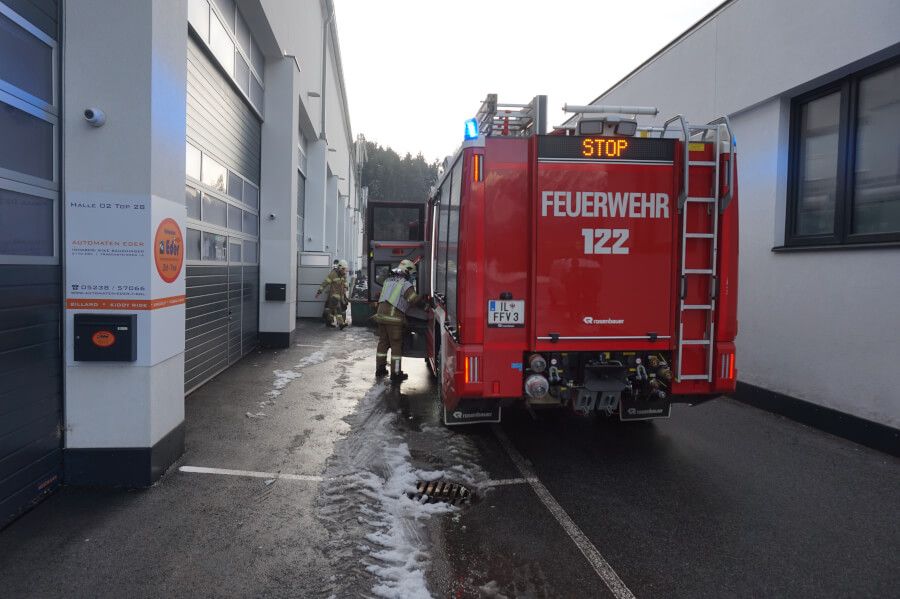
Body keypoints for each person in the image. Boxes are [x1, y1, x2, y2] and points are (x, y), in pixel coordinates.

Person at [374, 259, 427, 382]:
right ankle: (396, 373)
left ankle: (380, 369)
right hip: (393, 318)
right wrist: (424, 303)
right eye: (412, 274)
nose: (412, 277)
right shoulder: (405, 284)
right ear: (407, 271)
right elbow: (413, 300)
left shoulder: (387, 281)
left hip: (380, 316)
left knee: (383, 343)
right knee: (396, 345)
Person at [316, 259, 349, 329]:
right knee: (338, 309)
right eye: (343, 269)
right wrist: (319, 292)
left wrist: (346, 287)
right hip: (334, 296)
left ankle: (328, 323)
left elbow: (345, 282)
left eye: (345, 269)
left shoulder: (343, 275)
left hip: (341, 296)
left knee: (331, 311)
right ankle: (341, 324)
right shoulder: (333, 274)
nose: (344, 271)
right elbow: (325, 283)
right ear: (340, 268)